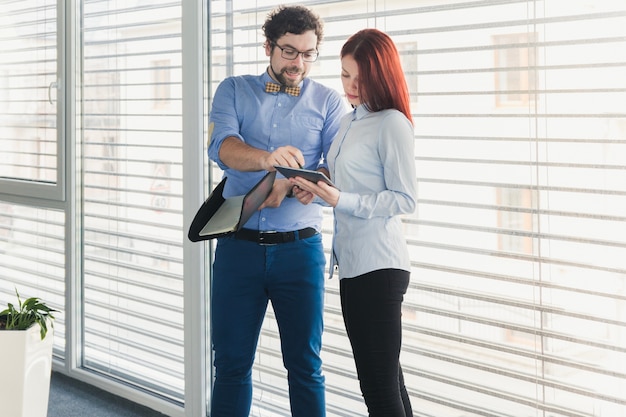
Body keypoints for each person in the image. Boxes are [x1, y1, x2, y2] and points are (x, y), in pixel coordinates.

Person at [206, 5, 346, 417]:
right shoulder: (233, 89)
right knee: (230, 366)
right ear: (268, 46)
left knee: (306, 367)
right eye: (289, 52)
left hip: (299, 253)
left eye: (307, 53)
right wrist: (268, 160)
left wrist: (303, 182)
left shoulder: (329, 102)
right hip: (238, 249)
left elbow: (335, 166)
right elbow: (222, 147)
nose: (298, 63)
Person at [290, 28, 417, 417]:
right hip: (353, 266)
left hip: (379, 265)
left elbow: (404, 198)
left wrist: (341, 199)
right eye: (345, 75)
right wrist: (319, 183)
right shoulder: (349, 122)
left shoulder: (391, 123)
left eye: (360, 78)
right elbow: (346, 174)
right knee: (387, 383)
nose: (351, 85)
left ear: (382, 75)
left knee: (378, 390)